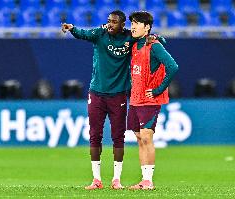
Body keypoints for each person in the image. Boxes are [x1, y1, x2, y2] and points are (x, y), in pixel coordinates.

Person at [61, 10, 164, 190]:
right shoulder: (99, 34)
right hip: (97, 93)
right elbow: (83, 33)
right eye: (108, 21)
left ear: (122, 24)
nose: (110, 24)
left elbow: (152, 42)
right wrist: (72, 28)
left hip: (118, 94)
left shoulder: (129, 37)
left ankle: (116, 179)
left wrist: (156, 38)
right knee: (95, 135)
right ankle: (96, 179)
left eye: (114, 22)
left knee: (118, 137)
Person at [127, 11, 179, 190]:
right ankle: (144, 179)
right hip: (135, 98)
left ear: (147, 27)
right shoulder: (135, 43)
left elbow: (173, 66)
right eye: (132, 22)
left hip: (149, 99)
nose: (133, 26)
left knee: (147, 137)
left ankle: (148, 181)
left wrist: (158, 89)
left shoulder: (154, 46)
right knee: (140, 137)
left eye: (137, 23)